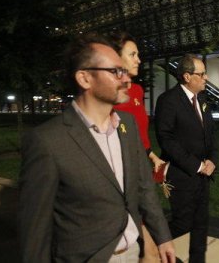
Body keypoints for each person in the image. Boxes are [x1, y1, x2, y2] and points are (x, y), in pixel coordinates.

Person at [19, 33, 176, 263]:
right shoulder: (47, 141)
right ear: (84, 78)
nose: (126, 79)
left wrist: (163, 236)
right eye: (116, 71)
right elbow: (35, 232)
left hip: (134, 252)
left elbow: (143, 187)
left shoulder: (128, 126)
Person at [155, 54, 218, 263]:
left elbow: (211, 135)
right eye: (201, 74)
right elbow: (166, 140)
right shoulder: (168, 101)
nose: (206, 78)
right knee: (182, 224)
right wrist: (197, 165)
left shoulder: (202, 100)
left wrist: (212, 160)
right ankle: (151, 249)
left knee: (200, 226)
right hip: (181, 176)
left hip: (203, 177)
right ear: (187, 76)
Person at [111, 32, 165, 263]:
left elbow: (139, 131)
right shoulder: (112, 94)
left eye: (138, 54)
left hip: (141, 167)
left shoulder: (137, 91)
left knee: (150, 244)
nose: (138, 59)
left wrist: (151, 155)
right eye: (132, 54)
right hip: (124, 173)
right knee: (149, 247)